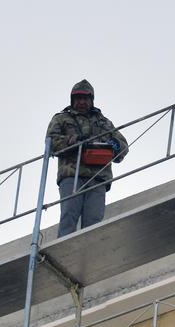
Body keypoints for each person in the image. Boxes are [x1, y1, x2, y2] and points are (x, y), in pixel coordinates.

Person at [45, 78, 128, 236]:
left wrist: (111, 145)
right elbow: (51, 143)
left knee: (94, 223)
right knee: (69, 217)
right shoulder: (61, 119)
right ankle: (65, 254)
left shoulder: (104, 122)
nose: (81, 102)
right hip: (72, 175)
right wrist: (76, 142)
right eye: (78, 98)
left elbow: (123, 146)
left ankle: (89, 258)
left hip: (97, 177)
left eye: (85, 98)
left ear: (91, 100)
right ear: (72, 100)